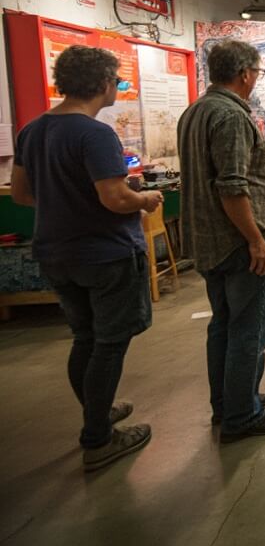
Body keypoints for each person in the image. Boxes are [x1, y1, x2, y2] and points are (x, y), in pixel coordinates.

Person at [11, 45, 162, 471]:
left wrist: (68, 199)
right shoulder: (95, 134)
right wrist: (145, 197)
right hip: (104, 255)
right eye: (116, 81)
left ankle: (97, 412)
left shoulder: (32, 130)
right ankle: (98, 438)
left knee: (85, 339)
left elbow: (22, 193)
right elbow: (115, 199)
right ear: (101, 83)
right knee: (110, 344)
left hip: (56, 253)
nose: (117, 87)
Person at [177, 40, 265, 443]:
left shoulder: (195, 111)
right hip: (239, 245)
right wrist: (257, 241)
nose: (256, 80)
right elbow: (232, 187)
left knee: (224, 325)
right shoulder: (231, 117)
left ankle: (227, 405)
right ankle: (242, 415)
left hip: (210, 241)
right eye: (257, 73)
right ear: (245, 74)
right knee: (250, 330)